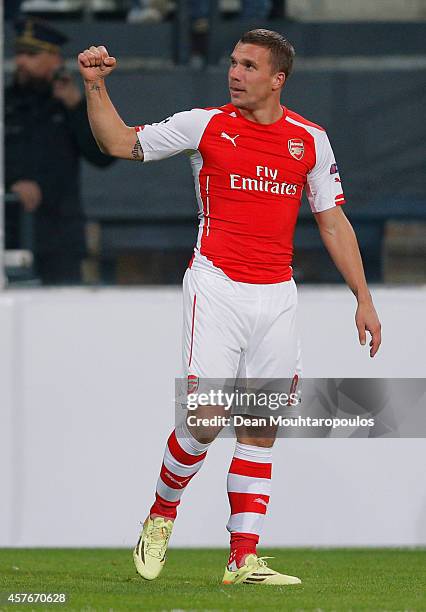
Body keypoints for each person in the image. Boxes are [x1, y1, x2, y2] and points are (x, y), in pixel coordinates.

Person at [77, 29, 382, 585]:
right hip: (217, 286)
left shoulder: (310, 140)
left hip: (277, 294)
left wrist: (362, 297)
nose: (234, 74)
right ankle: (161, 513)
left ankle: (243, 557)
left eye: (247, 66)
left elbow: (332, 219)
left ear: (277, 78)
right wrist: (95, 87)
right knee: (207, 419)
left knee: (261, 427)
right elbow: (120, 143)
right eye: (233, 63)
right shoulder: (205, 124)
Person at [5, 17, 114, 284]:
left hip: (59, 234)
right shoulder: (6, 103)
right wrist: (11, 184)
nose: (21, 62)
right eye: (19, 53)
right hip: (9, 229)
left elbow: (103, 156)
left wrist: (76, 107)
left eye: (31, 54)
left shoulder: (71, 104)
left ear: (55, 59)